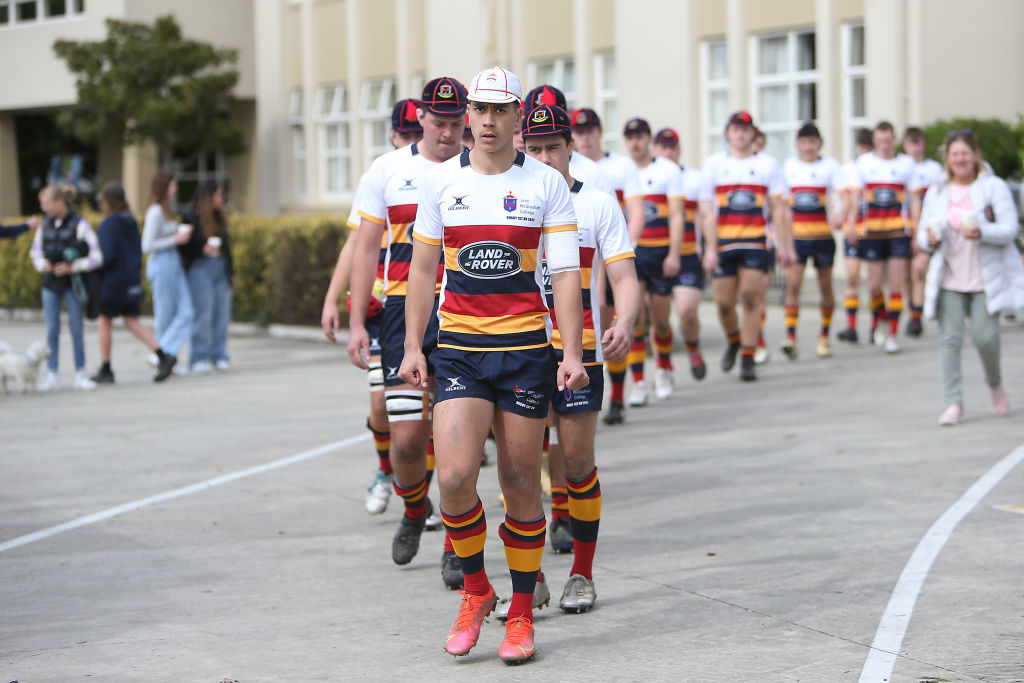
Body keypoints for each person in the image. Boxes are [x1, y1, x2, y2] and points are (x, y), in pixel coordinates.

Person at [399, 65, 587, 664]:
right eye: (478, 110)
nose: (485, 121)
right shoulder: (439, 185)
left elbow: (563, 273)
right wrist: (410, 347)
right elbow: (423, 271)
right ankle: (478, 591)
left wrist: (573, 352)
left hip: (526, 352)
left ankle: (523, 613)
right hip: (459, 350)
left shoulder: (545, 185)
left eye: (499, 110)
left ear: (516, 117)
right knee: (453, 479)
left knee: (518, 481)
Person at [348, 79, 468, 585]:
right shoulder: (387, 170)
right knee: (407, 443)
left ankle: (458, 544)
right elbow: (364, 245)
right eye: (437, 122)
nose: (446, 133)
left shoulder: (478, 168)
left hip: (465, 311)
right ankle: (415, 509)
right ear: (419, 118)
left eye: (454, 123)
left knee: (458, 437)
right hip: (401, 313)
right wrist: (356, 319)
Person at [521, 102, 639, 613]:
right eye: (535, 147)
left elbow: (624, 277)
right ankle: (529, 578)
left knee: (577, 462)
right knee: (519, 466)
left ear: (572, 147)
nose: (545, 157)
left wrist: (626, 321)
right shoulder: (509, 202)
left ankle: (582, 575)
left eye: (554, 147)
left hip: (582, 349)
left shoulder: (596, 203)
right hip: (518, 348)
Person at [322, 98, 423, 516]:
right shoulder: (384, 172)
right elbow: (356, 245)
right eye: (407, 135)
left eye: (419, 133)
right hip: (387, 306)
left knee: (423, 413)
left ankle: (422, 502)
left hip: (430, 305)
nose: (415, 141)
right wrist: (335, 300)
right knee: (383, 407)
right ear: (394, 136)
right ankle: (386, 471)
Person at [917, 129, 1024, 425]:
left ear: (976, 154)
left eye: (965, 153)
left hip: (984, 279)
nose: (960, 159)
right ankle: (953, 403)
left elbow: (1010, 229)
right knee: (949, 340)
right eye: (954, 154)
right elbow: (923, 235)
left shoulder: (993, 187)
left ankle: (995, 383)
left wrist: (982, 232)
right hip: (948, 278)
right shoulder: (937, 191)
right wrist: (929, 240)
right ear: (947, 158)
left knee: (985, 337)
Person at [699, 111, 793, 382]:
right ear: (728, 133)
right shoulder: (715, 165)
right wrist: (711, 249)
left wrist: (785, 246)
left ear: (753, 134)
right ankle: (734, 339)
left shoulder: (767, 165)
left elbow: (779, 209)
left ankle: (748, 357)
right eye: (735, 129)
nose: (740, 134)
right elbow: (706, 212)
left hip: (755, 243)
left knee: (751, 299)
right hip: (724, 244)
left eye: (745, 129)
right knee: (724, 305)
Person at [571, 107, 644, 425]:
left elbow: (636, 212)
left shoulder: (614, 168)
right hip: (586, 255)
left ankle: (619, 393)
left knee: (622, 319)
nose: (585, 138)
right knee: (598, 309)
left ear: (599, 132)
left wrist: (626, 248)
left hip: (612, 249)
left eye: (589, 131)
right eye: (579, 132)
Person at [621, 117, 686, 402]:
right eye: (630, 137)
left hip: (659, 254)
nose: (635, 143)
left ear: (649, 140)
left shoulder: (668, 171)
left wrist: (674, 253)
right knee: (635, 318)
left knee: (660, 319)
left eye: (640, 137)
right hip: (632, 256)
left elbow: (677, 215)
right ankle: (638, 381)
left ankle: (663, 367)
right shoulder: (622, 171)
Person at [846, 121, 923, 354]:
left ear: (894, 139)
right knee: (875, 287)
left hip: (898, 231)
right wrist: (851, 224)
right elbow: (855, 197)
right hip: (871, 231)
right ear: (874, 142)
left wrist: (916, 232)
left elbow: (916, 199)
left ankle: (892, 333)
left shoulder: (906, 164)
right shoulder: (865, 163)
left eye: (888, 140)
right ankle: (879, 319)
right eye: (879, 141)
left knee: (896, 284)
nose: (884, 145)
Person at [29, 184, 103, 391]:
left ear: (60, 202)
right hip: (51, 283)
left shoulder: (79, 224)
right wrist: (42, 264)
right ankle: (52, 374)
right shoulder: (45, 225)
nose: (46, 210)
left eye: (48, 205)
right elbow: (35, 253)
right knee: (52, 330)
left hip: (73, 284)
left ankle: (80, 372)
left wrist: (73, 267)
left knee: (76, 329)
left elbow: (97, 257)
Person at [89, 182, 164, 384]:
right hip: (131, 279)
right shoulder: (130, 221)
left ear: (107, 202)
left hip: (113, 281)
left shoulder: (108, 224)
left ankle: (106, 367)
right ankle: (163, 355)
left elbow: (107, 256)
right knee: (131, 320)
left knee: (104, 320)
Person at [780, 123, 844, 359]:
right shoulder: (789, 167)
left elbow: (843, 194)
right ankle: (791, 337)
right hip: (797, 237)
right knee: (793, 285)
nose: (808, 147)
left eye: (812, 142)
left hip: (823, 236)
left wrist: (840, 214)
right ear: (798, 144)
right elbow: (781, 204)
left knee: (825, 287)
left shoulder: (830, 166)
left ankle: (824, 336)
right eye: (804, 143)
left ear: (819, 143)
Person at [653, 126, 708, 380]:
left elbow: (706, 216)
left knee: (687, 312)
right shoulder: (644, 177)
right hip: (656, 257)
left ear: (679, 150)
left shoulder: (694, 179)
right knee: (660, 321)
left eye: (672, 147)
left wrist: (711, 250)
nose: (667, 152)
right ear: (655, 149)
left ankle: (693, 348)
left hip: (687, 256)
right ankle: (664, 366)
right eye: (662, 147)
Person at [142, 172, 194, 381]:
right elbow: (147, 245)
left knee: (186, 312)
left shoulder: (167, 210)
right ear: (164, 187)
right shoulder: (155, 211)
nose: (176, 189)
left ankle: (164, 354)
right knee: (164, 314)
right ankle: (163, 357)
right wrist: (175, 239)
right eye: (173, 185)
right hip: (161, 264)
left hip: (174, 263)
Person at [179, 181, 233, 373]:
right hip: (200, 268)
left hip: (220, 267)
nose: (221, 199)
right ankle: (198, 356)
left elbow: (228, 248)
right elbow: (183, 246)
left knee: (222, 314)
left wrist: (231, 273)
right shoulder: (190, 217)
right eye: (218, 195)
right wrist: (201, 249)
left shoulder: (220, 218)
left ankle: (219, 355)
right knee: (203, 313)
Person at [903, 126, 944, 337]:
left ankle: (917, 316)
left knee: (918, 270)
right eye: (911, 143)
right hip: (902, 227)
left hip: (924, 226)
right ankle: (913, 311)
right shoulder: (900, 166)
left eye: (918, 143)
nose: (915, 148)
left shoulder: (934, 169)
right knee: (907, 275)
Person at [836, 128, 874, 343]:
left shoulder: (880, 168)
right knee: (852, 276)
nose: (866, 152)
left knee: (875, 283)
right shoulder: (849, 169)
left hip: (875, 230)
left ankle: (878, 325)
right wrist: (844, 220)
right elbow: (845, 198)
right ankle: (851, 327)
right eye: (863, 148)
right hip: (854, 229)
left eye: (869, 148)